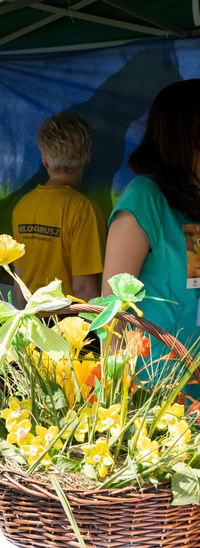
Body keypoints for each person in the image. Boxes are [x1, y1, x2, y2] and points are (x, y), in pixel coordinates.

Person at [102, 79, 200, 398]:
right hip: (155, 394)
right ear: (184, 137)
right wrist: (116, 399)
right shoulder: (146, 198)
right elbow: (111, 311)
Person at [11, 112, 106, 305]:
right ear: (87, 157)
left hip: (31, 322)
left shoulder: (22, 206)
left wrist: (21, 322)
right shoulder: (84, 210)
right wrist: (103, 333)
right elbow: (83, 287)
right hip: (70, 327)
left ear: (44, 160)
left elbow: (18, 276)